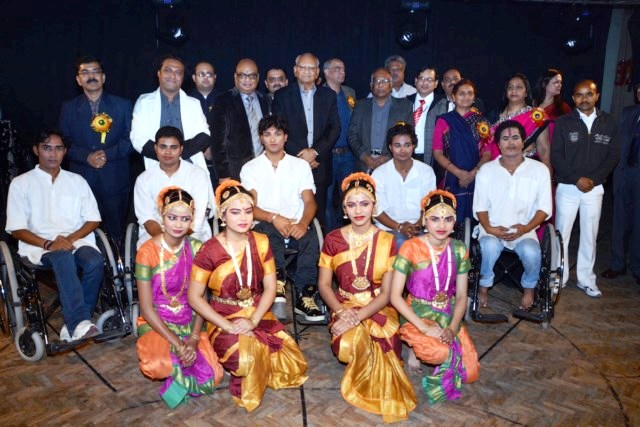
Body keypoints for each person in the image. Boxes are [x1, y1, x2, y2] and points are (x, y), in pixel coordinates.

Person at [188, 180, 308, 412]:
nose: (243, 218)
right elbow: (194, 297)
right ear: (222, 215)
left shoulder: (261, 242)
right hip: (223, 316)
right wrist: (229, 326)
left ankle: (252, 355)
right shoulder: (209, 250)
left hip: (256, 311)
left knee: (293, 363)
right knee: (247, 360)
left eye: (248, 211)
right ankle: (234, 358)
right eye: (235, 212)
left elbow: (271, 288)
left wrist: (253, 321)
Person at [318, 172, 417, 423]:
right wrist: (342, 312)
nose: (358, 210)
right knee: (346, 347)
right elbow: (324, 285)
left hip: (378, 306)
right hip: (344, 304)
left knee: (388, 346)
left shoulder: (387, 240)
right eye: (351, 204)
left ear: (374, 206)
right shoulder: (332, 239)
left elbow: (387, 293)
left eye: (364, 203)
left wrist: (357, 317)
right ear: (344, 209)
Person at [5, 131, 103, 342]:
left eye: (58, 148)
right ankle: (78, 322)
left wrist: (69, 239)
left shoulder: (77, 181)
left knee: (95, 261)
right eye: (47, 148)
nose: (53, 154)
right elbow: (16, 229)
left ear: (65, 152)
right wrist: (49, 243)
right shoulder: (21, 183)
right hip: (38, 245)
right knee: (62, 257)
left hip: (76, 240)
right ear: (36, 150)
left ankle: (76, 324)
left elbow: (93, 219)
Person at [135, 187, 223, 408]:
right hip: (157, 321)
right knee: (158, 366)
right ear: (162, 216)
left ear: (192, 221)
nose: (178, 224)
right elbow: (146, 308)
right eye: (172, 217)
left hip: (190, 318)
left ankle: (179, 377)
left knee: (214, 375)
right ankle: (177, 370)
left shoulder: (197, 248)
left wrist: (193, 339)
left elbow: (201, 299)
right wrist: (178, 344)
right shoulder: (146, 252)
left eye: (185, 219)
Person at [390, 189, 479, 404]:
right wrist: (424, 328)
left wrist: (452, 328)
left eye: (448, 219)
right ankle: (413, 347)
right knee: (440, 353)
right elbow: (394, 296)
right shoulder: (411, 247)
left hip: (447, 311)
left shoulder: (459, 249)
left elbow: (461, 296)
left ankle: (434, 340)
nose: (442, 225)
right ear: (424, 220)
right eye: (435, 218)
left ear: (455, 222)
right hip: (417, 312)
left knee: (470, 372)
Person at [240, 114, 324, 322]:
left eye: (278, 134)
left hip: (295, 224)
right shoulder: (250, 168)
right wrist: (274, 218)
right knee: (270, 233)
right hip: (265, 225)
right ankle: (276, 288)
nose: (273, 139)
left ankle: (306, 296)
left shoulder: (300, 166)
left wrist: (303, 223)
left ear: (285, 137)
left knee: (310, 237)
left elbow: (310, 202)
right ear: (261, 138)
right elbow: (250, 207)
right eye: (267, 134)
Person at [473, 121, 552, 309]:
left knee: (532, 252)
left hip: (525, 229)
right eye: (505, 139)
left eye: (515, 138)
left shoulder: (539, 170)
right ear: (498, 144)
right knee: (488, 247)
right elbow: (480, 207)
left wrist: (525, 228)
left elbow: (544, 208)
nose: (511, 143)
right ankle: (483, 287)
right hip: (492, 228)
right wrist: (490, 228)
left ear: (523, 142)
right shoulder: (487, 170)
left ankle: (529, 289)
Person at [551, 80, 619, 297]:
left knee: (590, 235)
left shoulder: (609, 122)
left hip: (594, 188)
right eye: (579, 95)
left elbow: (613, 156)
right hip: (568, 187)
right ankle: (558, 277)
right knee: (561, 234)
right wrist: (576, 179)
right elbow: (556, 156)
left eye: (589, 94)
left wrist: (594, 180)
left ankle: (586, 279)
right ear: (573, 98)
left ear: (596, 96)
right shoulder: (563, 122)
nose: (584, 99)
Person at [59, 55, 134, 246]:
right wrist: (87, 157)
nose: (91, 76)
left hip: (115, 178)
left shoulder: (123, 105)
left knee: (117, 233)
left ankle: (118, 261)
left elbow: (130, 139)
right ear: (78, 80)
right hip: (82, 178)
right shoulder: (68, 108)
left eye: (95, 71)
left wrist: (106, 154)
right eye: (85, 72)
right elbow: (63, 142)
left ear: (103, 77)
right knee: (84, 234)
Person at [272, 52, 341, 229]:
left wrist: (314, 152)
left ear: (317, 72)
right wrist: (301, 157)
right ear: (295, 70)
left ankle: (318, 246)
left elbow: (334, 128)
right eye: (303, 67)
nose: (307, 71)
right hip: (292, 162)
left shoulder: (329, 95)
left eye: (311, 68)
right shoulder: (281, 96)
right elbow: (280, 129)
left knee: (320, 214)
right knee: (291, 212)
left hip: (319, 163)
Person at [133, 126, 214, 248]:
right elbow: (146, 218)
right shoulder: (143, 179)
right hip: (156, 234)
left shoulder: (197, 175)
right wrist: (166, 241)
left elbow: (198, 216)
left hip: (192, 233)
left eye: (173, 147)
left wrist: (178, 241)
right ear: (155, 148)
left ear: (181, 149)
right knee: (146, 250)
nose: (168, 152)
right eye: (163, 147)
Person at [130, 54, 211, 172]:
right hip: (157, 168)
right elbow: (137, 138)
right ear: (159, 73)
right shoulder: (144, 102)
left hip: (191, 168)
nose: (173, 76)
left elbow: (204, 134)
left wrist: (178, 154)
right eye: (168, 71)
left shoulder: (193, 103)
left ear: (183, 78)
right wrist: (165, 156)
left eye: (178, 73)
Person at [432, 79, 492, 222]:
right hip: (452, 176)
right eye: (461, 94)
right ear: (453, 97)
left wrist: (472, 174)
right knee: (451, 218)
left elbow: (488, 153)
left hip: (477, 177)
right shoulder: (443, 121)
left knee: (475, 218)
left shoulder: (482, 122)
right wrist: (459, 173)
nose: (466, 97)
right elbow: (437, 153)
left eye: (470, 93)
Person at [372, 122, 436, 247]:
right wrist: (399, 227)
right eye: (397, 145)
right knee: (402, 243)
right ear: (390, 147)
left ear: (413, 146)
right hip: (388, 229)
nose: (402, 150)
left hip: (419, 228)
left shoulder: (426, 172)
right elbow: (377, 210)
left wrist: (417, 226)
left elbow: (430, 206)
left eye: (407, 145)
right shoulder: (379, 174)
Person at [209, 58, 271, 183]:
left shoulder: (265, 100)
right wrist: (223, 174)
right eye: (242, 75)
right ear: (235, 77)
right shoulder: (223, 101)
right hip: (235, 172)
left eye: (252, 75)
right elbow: (217, 142)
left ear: (258, 77)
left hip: (265, 168)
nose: (247, 79)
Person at [602, 84, 640, 285]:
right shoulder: (627, 113)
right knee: (619, 221)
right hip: (623, 174)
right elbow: (617, 145)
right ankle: (617, 264)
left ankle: (637, 267)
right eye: (639, 89)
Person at [348, 68, 413, 173]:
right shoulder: (360, 106)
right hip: (364, 164)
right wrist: (364, 156)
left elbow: (408, 137)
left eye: (384, 81)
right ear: (371, 85)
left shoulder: (405, 107)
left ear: (391, 85)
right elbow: (352, 135)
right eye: (377, 81)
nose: (380, 84)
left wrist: (388, 157)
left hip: (393, 163)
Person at [322, 58, 357, 231]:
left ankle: (348, 232)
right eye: (337, 69)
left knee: (349, 196)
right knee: (327, 198)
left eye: (343, 69)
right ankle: (330, 236)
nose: (342, 72)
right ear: (326, 72)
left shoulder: (350, 92)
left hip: (348, 154)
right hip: (328, 154)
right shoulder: (319, 94)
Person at [491, 73, 551, 171]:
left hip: (526, 169)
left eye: (519, 87)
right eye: (510, 87)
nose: (514, 91)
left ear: (526, 93)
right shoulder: (494, 116)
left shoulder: (536, 116)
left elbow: (544, 151)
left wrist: (548, 177)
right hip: (496, 170)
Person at [407, 66, 444, 166]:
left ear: (436, 83)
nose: (425, 83)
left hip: (433, 158)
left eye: (429, 80)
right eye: (422, 78)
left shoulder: (444, 105)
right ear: (415, 81)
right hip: (406, 155)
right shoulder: (405, 102)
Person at [532, 68, 571, 137]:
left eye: (560, 82)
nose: (560, 85)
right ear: (544, 84)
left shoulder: (563, 107)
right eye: (556, 82)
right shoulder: (532, 105)